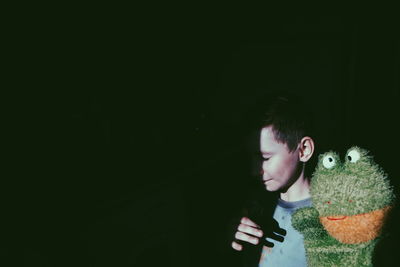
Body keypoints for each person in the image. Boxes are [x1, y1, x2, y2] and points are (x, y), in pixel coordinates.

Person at [230, 93, 317, 266]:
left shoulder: (333, 218)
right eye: (251, 159)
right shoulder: (256, 204)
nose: (255, 170)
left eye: (265, 157)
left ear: (304, 150)